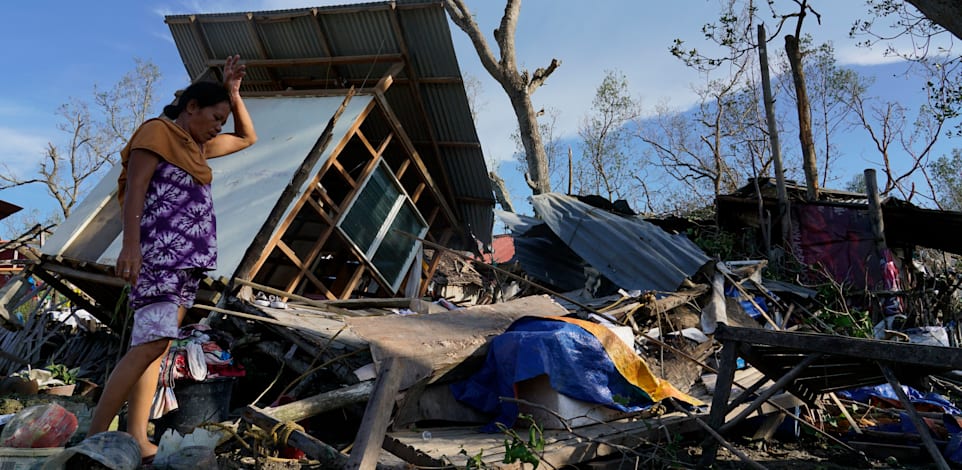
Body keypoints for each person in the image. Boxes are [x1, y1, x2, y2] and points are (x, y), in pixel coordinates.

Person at [87, 54, 257, 462]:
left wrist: (233, 94)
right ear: (191, 107)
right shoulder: (158, 133)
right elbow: (136, 190)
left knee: (155, 347)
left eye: (223, 119)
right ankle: (93, 437)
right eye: (215, 116)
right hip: (159, 253)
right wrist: (131, 246)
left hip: (186, 258)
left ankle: (137, 436)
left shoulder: (195, 148)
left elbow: (248, 137)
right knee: (151, 343)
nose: (220, 126)